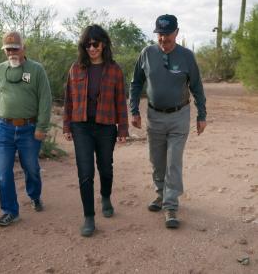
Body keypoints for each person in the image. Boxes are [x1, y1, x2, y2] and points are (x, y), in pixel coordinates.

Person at [130, 14, 207, 229]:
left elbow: (197, 87)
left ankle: (171, 205)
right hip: (154, 116)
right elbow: (136, 83)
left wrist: (202, 115)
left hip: (179, 116)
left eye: (167, 34)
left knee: (173, 161)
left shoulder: (187, 57)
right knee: (157, 161)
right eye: (160, 34)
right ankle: (161, 193)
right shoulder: (147, 53)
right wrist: (134, 110)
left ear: (177, 33)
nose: (163, 39)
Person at [0, 31, 52, 227]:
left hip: (29, 129)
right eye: (8, 49)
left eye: (15, 48)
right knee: (3, 172)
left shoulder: (36, 70)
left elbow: (45, 100)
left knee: (31, 168)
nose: (12, 52)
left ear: (23, 48)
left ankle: (35, 196)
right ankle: (10, 211)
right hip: (4, 129)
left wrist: (42, 126)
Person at [63, 24, 128, 237]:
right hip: (81, 125)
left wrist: (122, 129)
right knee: (85, 172)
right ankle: (89, 217)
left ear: (104, 44)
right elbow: (68, 100)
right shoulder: (76, 68)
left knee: (106, 168)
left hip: (105, 125)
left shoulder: (114, 70)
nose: (92, 48)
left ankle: (106, 196)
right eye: (88, 44)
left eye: (96, 44)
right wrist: (66, 125)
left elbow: (120, 101)